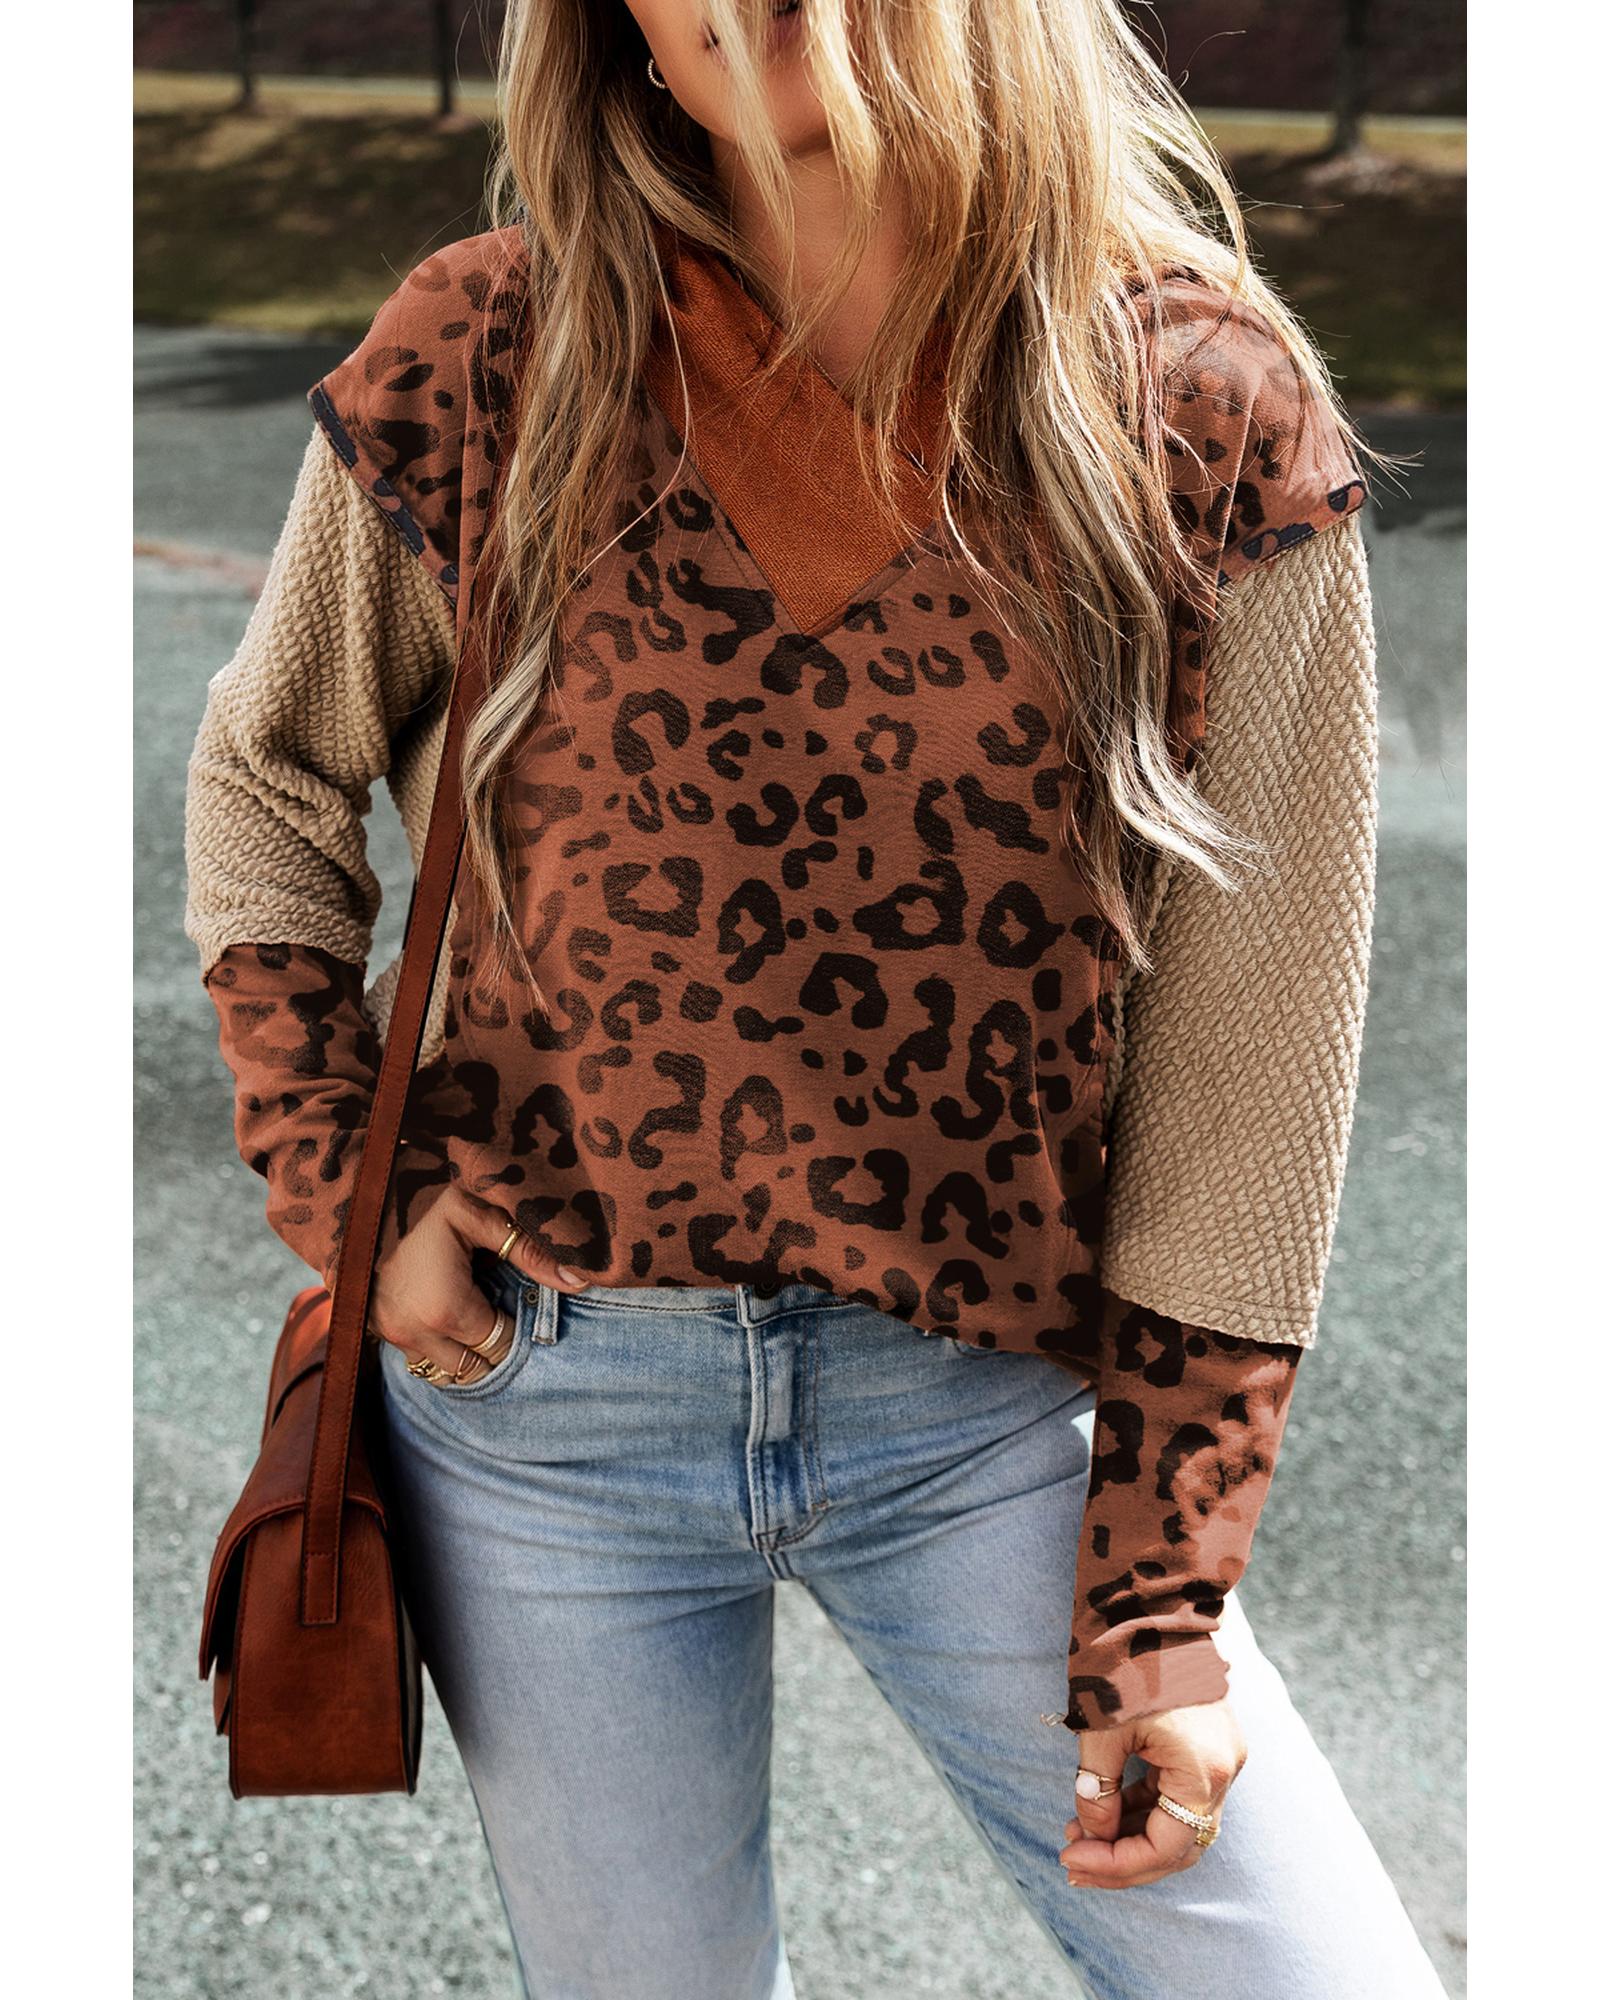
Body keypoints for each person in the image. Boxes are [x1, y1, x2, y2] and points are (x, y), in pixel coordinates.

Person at [183, 4, 1448, 1996]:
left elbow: (1248, 1061)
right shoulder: (493, 347)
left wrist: (1163, 1599)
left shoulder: (1203, 406)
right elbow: (266, 773)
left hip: (989, 1424)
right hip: (546, 1406)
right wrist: (344, 1186)